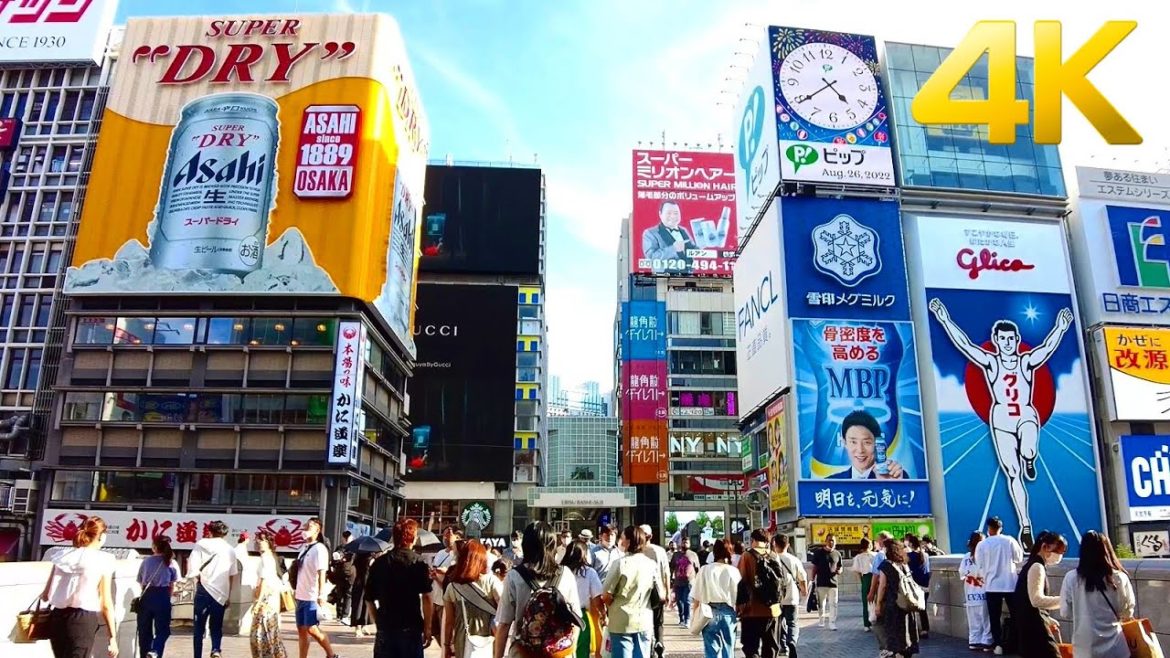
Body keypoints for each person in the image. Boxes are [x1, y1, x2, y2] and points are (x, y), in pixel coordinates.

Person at [929, 299, 1075, 550]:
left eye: (1011, 339)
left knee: (1028, 450)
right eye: (1003, 339)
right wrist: (944, 318)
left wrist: (1061, 327)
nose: (1007, 343)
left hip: (1026, 415)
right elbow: (964, 344)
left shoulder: (1026, 362)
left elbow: (1048, 348)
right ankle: (1025, 524)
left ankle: (1030, 457)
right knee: (1013, 473)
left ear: (1017, 340)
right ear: (996, 340)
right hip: (1001, 419)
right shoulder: (991, 362)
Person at [494, 522, 582, 658]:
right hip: (557, 653)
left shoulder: (514, 576)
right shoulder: (566, 574)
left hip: (523, 652)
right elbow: (576, 620)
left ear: (526, 545)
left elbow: (504, 624)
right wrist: (568, 650)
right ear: (553, 545)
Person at [41, 516, 118, 658]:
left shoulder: (61, 556)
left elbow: (45, 595)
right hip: (83, 619)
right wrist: (112, 637)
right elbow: (106, 603)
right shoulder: (104, 560)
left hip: (57, 617)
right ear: (101, 536)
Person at [1059, 531, 1135, 658]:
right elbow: (1126, 612)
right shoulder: (1119, 577)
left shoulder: (1071, 578)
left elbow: (1065, 612)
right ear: (1107, 550)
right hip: (1116, 647)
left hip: (1085, 648)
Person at [365, 518, 433, 658]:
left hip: (386, 626)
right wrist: (428, 627)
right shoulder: (418, 562)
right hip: (411, 626)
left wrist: (377, 621)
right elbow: (427, 597)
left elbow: (368, 599)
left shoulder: (379, 563)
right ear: (412, 538)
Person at [599, 526, 664, 658]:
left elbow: (606, 595)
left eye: (622, 538)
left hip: (620, 622)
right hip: (644, 620)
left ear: (628, 542)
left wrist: (612, 605)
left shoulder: (619, 564)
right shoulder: (651, 564)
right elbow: (661, 595)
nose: (620, 541)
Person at [443, 540, 504, 658]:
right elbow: (504, 611)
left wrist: (446, 646)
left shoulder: (452, 587)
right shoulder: (491, 582)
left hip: (462, 642)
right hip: (489, 641)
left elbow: (449, 622)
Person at [187, 520, 238, 658]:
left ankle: (197, 655)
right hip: (221, 593)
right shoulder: (230, 549)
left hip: (203, 589)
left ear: (210, 531)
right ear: (225, 533)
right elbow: (232, 575)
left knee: (198, 627)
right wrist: (228, 595)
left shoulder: (201, 544)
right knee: (216, 626)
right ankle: (216, 649)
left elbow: (192, 567)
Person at [1012, 531, 1067, 658]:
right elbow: (1036, 600)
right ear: (1044, 547)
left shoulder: (1033, 564)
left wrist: (1048, 619)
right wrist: (1065, 599)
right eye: (1058, 550)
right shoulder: (1037, 567)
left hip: (1028, 627)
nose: (1059, 555)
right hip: (1035, 629)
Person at [974, 517, 1023, 655]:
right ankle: (1017, 642)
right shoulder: (1010, 540)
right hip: (1010, 584)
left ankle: (998, 645)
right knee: (1016, 615)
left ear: (989, 528)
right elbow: (1018, 558)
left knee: (994, 617)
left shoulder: (982, 545)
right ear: (1000, 528)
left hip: (991, 585)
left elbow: (980, 564)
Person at [293, 517, 338, 658]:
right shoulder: (304, 548)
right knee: (301, 630)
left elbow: (321, 572)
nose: (306, 527)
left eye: (310, 526)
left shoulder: (319, 549)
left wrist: (321, 594)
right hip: (300, 595)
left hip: (311, 596)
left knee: (312, 629)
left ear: (317, 530)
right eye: (306, 525)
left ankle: (331, 655)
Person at [691, 538, 741, 658]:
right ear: (730, 552)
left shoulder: (704, 570)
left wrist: (694, 616)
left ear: (714, 552)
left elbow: (697, 596)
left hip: (709, 612)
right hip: (728, 612)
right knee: (728, 650)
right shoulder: (733, 571)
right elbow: (739, 596)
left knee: (711, 650)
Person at [737, 529, 782, 658]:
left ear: (753, 540)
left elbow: (741, 582)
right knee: (770, 647)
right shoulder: (774, 556)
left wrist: (739, 607)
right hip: (772, 609)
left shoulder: (747, 556)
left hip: (752, 611)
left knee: (751, 648)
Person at [872, 539, 921, 658]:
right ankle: (906, 651)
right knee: (907, 630)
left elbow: (882, 586)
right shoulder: (904, 564)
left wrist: (878, 604)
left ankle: (897, 652)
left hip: (893, 604)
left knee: (893, 631)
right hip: (907, 603)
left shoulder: (886, 565)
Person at [829, 410, 905, 479]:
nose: (860, 450)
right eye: (853, 442)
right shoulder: (831, 483)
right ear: (845, 443)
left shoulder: (896, 476)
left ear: (877, 444)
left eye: (867, 442)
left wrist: (891, 486)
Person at [137, 535, 180, 658]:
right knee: (163, 630)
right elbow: (173, 585)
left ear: (154, 547)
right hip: (163, 596)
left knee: (144, 632)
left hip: (147, 596)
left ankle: (145, 655)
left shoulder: (145, 561)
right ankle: (155, 651)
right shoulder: (171, 563)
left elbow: (141, 582)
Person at [562, 540, 604, 658]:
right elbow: (597, 599)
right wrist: (603, 614)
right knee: (581, 650)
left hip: (561, 615)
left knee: (563, 650)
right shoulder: (589, 572)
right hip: (581, 617)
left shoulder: (559, 571)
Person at [251, 531, 288, 658]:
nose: (258, 543)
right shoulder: (270, 556)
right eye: (257, 540)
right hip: (271, 599)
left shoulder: (266, 558)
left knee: (261, 633)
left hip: (266, 599)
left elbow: (264, 581)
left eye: (262, 540)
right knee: (271, 632)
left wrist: (258, 601)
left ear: (268, 543)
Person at [771, 533, 807, 658]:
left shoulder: (771, 559)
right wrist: (804, 591)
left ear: (774, 544)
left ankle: (783, 648)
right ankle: (791, 641)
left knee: (779, 623)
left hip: (776, 599)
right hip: (792, 597)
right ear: (788, 545)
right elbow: (802, 578)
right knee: (792, 623)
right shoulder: (794, 560)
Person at [638, 524, 670, 656]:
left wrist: (667, 591)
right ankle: (659, 644)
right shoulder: (659, 551)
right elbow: (666, 573)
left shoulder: (636, 551)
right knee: (658, 622)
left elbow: (666, 573)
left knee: (648, 620)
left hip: (643, 592)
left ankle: (652, 646)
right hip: (657, 592)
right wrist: (667, 591)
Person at [640, 200, 696, 273]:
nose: (673, 216)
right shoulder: (650, 233)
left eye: (676, 213)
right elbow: (651, 258)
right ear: (660, 214)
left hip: (689, 277)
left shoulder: (684, 230)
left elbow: (693, 250)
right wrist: (673, 249)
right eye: (669, 213)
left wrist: (702, 245)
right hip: (664, 278)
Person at [959, 532, 993, 651]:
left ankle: (974, 641)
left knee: (973, 619)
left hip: (970, 593)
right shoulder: (985, 555)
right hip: (983, 591)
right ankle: (986, 641)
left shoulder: (966, 557)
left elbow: (962, 572)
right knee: (986, 619)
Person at [431, 527, 461, 645]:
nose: (447, 537)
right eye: (445, 535)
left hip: (447, 599)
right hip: (435, 597)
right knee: (435, 630)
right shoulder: (440, 553)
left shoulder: (457, 555)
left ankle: (449, 650)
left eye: (450, 535)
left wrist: (443, 573)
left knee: (447, 632)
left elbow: (453, 575)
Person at [810, 534, 843, 630]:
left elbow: (840, 566)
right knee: (821, 603)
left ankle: (832, 622)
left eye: (833, 540)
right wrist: (812, 579)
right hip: (821, 582)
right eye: (829, 540)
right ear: (825, 541)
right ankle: (821, 619)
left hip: (833, 583)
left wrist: (839, 571)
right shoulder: (819, 553)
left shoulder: (837, 554)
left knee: (834, 604)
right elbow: (814, 567)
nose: (831, 542)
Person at [668, 537, 700, 627]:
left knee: (687, 600)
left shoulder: (693, 555)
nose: (685, 544)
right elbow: (671, 567)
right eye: (683, 542)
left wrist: (697, 581)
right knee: (679, 601)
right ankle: (681, 618)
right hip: (678, 582)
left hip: (689, 582)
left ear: (689, 544)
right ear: (680, 544)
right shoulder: (676, 555)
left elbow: (697, 568)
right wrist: (670, 579)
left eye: (687, 542)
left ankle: (687, 619)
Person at [904, 535, 931, 638]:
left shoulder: (909, 556)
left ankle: (913, 630)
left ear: (910, 543)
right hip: (925, 585)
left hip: (914, 586)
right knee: (922, 609)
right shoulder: (925, 555)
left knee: (911, 609)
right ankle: (925, 629)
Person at [852, 537, 877, 633]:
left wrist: (862, 581)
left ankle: (866, 624)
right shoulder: (875, 555)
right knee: (876, 599)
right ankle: (876, 621)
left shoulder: (858, 557)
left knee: (865, 602)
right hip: (875, 577)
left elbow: (857, 571)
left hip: (865, 578)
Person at [328, 553, 355, 626]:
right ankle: (343, 616)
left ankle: (340, 616)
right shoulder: (352, 553)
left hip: (342, 577)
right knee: (345, 597)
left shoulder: (347, 552)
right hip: (346, 578)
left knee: (342, 597)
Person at [350, 553, 372, 637]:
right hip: (360, 582)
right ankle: (358, 627)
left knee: (367, 604)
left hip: (368, 582)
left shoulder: (371, 556)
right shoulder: (360, 556)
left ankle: (364, 624)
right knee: (359, 604)